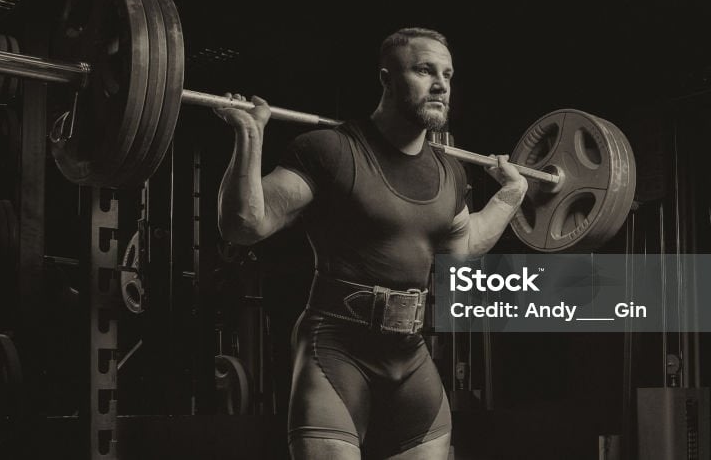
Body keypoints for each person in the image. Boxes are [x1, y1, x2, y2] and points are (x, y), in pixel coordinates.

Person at [216, 27, 528, 460]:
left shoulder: (450, 173)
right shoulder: (331, 151)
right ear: (386, 79)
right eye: (424, 70)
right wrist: (250, 138)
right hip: (338, 352)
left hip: (410, 355)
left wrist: (511, 197)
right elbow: (246, 225)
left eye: (448, 74)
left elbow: (462, 249)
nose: (441, 84)